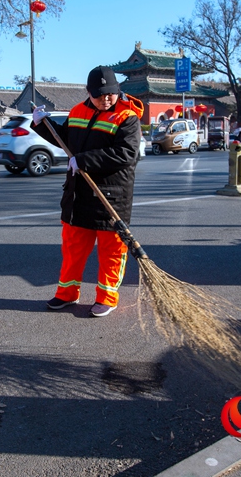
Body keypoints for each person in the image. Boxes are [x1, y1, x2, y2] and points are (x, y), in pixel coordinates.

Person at [31, 65, 143, 317]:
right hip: (78, 193)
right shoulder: (78, 111)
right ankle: (67, 293)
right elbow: (66, 139)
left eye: (110, 94)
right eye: (99, 94)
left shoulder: (127, 117)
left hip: (111, 196)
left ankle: (107, 297)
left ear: (117, 91)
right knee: (73, 248)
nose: (106, 99)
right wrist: (42, 124)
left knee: (111, 250)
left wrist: (84, 161)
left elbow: (125, 153)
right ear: (88, 92)